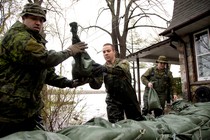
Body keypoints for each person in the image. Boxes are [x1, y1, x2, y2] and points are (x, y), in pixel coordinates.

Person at [0, 3, 88, 137]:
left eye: (41, 20)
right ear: (23, 18)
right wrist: (69, 51)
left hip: (30, 111)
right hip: (8, 113)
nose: (38, 23)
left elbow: (47, 74)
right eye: (34, 19)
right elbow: (45, 59)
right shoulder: (17, 37)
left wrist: (70, 83)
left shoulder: (36, 40)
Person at [91, 43, 144, 123]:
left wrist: (105, 69)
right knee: (115, 124)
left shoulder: (123, 62)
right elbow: (97, 85)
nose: (106, 53)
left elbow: (120, 71)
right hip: (113, 100)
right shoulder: (101, 69)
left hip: (128, 97)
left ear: (114, 52)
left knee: (136, 122)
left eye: (108, 51)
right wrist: (90, 78)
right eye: (104, 52)